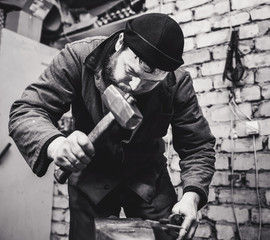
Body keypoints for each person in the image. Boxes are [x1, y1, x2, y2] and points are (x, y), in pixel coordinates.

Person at [8, 13, 215, 240]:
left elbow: (198, 145)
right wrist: (56, 145)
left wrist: (191, 196)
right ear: (119, 44)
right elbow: (27, 110)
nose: (136, 86)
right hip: (91, 178)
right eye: (130, 72)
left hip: (148, 179)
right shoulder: (78, 57)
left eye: (150, 82)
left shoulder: (177, 81)